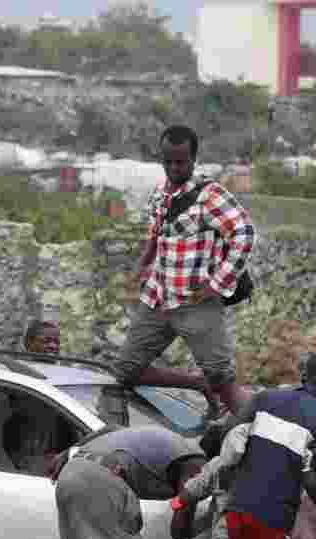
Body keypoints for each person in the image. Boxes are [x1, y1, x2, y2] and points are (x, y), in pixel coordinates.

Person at [114, 125, 255, 419]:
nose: (174, 168)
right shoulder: (159, 196)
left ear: (193, 159)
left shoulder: (210, 195)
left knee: (222, 379)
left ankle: (258, 432)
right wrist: (141, 266)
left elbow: (244, 233)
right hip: (158, 298)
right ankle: (194, 383)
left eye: (181, 161)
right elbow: (156, 234)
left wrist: (218, 284)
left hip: (195, 300)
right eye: (168, 161)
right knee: (126, 371)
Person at [172, 352, 316, 539]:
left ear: (304, 377)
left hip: (236, 512)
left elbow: (230, 440)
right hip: (272, 520)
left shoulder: (263, 398)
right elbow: (312, 481)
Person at [52, 425, 208, 539]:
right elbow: (179, 532)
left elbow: (111, 427)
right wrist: (212, 520)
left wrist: (69, 451)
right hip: (99, 477)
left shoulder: (174, 439)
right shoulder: (197, 464)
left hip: (71, 470)